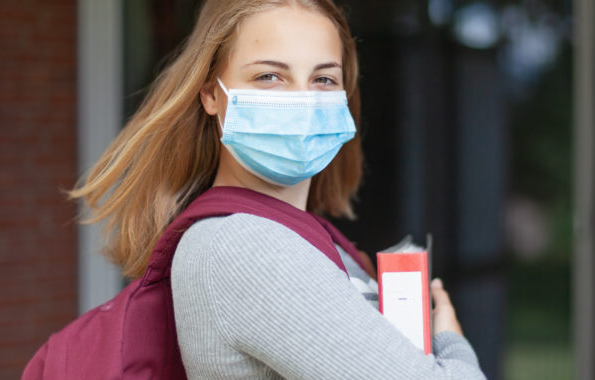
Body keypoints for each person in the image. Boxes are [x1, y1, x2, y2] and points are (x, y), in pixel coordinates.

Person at [70, 0, 486, 378]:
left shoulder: (300, 237)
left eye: (323, 79)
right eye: (270, 76)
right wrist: (450, 341)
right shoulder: (242, 245)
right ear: (212, 94)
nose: (303, 101)